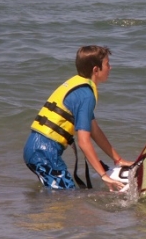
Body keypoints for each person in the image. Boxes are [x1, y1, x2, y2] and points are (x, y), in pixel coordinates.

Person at [23, 46, 133, 190]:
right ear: (96, 70)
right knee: (65, 198)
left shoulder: (80, 86)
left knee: (61, 195)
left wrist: (118, 160)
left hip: (37, 149)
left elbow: (94, 130)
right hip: (44, 152)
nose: (110, 68)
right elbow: (83, 141)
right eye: (107, 64)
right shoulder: (86, 95)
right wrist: (103, 176)